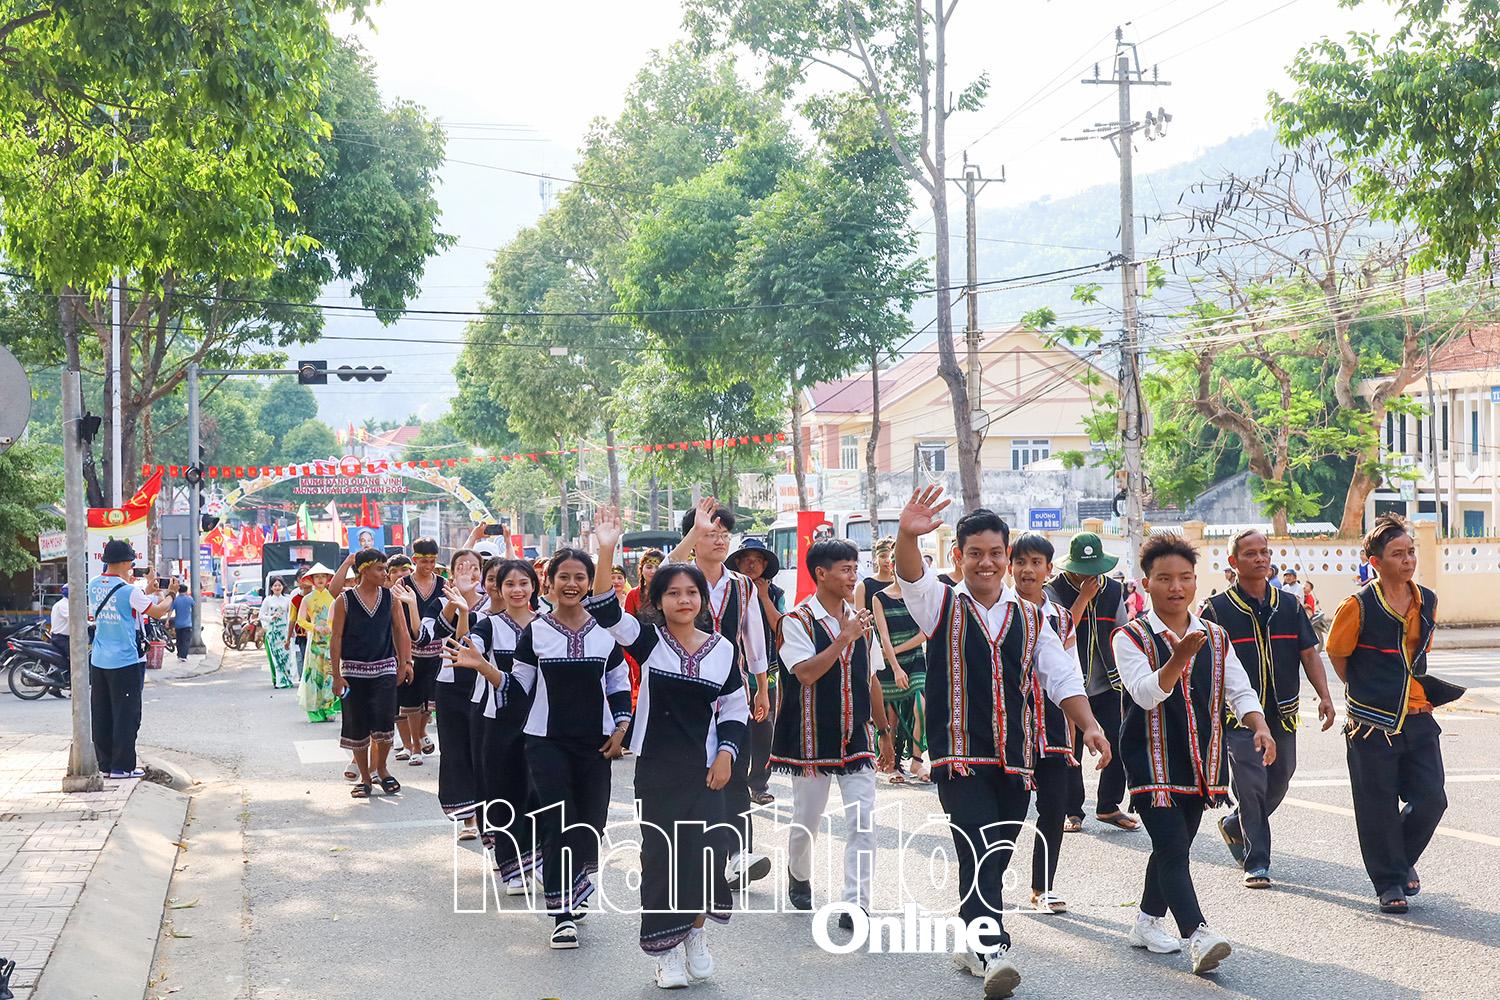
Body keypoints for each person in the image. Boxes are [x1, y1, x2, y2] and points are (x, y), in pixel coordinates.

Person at [894, 487, 1109, 998]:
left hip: (1016, 758)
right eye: (975, 553)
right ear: (958, 556)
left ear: (1007, 558)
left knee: (996, 851)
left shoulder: (1035, 618)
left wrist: (1091, 725)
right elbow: (909, 575)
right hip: (959, 756)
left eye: (995, 553)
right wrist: (906, 533)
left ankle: (972, 940)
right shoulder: (940, 603)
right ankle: (993, 947)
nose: (986, 563)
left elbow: (1061, 679)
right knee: (976, 843)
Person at [588, 507, 745, 987]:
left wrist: (726, 755)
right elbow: (604, 609)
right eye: (673, 592)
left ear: (703, 599)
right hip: (657, 768)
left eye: (691, 592)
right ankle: (667, 952)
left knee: (710, 852)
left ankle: (695, 933)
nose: (684, 599)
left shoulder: (721, 648)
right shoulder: (649, 641)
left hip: (707, 770)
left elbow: (734, 708)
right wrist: (608, 548)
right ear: (659, 600)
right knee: (661, 857)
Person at [1112, 533, 1275, 975]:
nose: (1176, 587)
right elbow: (1145, 694)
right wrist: (1177, 659)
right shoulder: (1129, 637)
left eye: (1184, 577)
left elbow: (1238, 687)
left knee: (1174, 847)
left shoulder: (1215, 635)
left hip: (1200, 761)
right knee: (1170, 846)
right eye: (1164, 578)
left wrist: (1259, 725)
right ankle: (1198, 935)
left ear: (1195, 581)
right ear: (1146, 584)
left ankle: (1146, 923)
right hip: (1151, 760)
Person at [1326, 514, 1464, 914]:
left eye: (1410, 552)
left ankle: (1398, 862)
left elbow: (1419, 653)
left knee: (1432, 799)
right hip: (1370, 723)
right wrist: (1366, 688)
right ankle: (1389, 884)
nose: (1407, 561)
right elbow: (1338, 653)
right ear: (1375, 561)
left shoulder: (1428, 600)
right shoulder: (1357, 606)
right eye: (1397, 554)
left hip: (1419, 714)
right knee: (1376, 805)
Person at [509, 547, 630, 950]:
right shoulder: (536, 632)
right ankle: (562, 914)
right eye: (564, 577)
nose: (572, 584)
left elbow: (618, 685)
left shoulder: (605, 633)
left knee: (590, 824)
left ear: (590, 583)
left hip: (595, 746)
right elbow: (517, 688)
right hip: (545, 743)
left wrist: (622, 726)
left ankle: (573, 882)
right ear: (550, 583)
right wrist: (483, 667)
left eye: (581, 577)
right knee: (560, 820)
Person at [1201, 530, 1336, 888]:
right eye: (1250, 554)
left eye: (1264, 552)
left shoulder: (1289, 606)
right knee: (1250, 784)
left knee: (1280, 777)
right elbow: (1201, 662)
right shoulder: (1216, 610)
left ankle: (1235, 825)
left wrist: (1324, 695)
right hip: (1238, 716)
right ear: (1233, 562)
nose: (1260, 559)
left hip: (1283, 712)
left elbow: (1309, 652)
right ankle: (1256, 860)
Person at [772, 538, 887, 928]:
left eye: (855, 568)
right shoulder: (796, 620)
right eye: (845, 569)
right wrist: (843, 638)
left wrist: (884, 730)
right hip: (811, 737)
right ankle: (799, 874)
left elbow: (870, 676)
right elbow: (804, 673)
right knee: (807, 819)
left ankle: (856, 903)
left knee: (863, 820)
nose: (853, 576)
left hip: (856, 734)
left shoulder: (860, 619)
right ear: (821, 574)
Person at [667, 498, 772, 892]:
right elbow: (656, 580)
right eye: (710, 534)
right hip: (686, 693)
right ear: (693, 539)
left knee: (735, 772)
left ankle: (738, 853)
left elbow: (753, 637)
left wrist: (761, 686)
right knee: (693, 772)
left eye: (724, 534)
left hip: (733, 689)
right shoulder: (679, 579)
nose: (720, 541)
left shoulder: (742, 585)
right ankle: (697, 851)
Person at [447, 557, 541, 895]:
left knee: (537, 790)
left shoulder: (546, 624)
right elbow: (468, 648)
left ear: (534, 586)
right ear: (498, 589)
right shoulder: (489, 625)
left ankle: (538, 858)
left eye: (523, 583)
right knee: (503, 792)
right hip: (495, 720)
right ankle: (511, 866)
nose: (517, 590)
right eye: (509, 584)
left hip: (539, 721)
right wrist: (462, 611)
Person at [1008, 533, 1082, 914]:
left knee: (1053, 808)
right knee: (1009, 812)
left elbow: (1070, 673)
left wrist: (1075, 728)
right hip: (1009, 730)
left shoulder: (1062, 616)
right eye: (1021, 562)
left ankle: (1043, 887)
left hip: (1052, 728)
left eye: (1036, 563)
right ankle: (989, 881)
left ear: (1049, 570)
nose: (1028, 570)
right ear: (1010, 567)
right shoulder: (999, 612)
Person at [1046, 533, 1138, 833]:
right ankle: (1072, 810)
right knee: (1069, 748)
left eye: (1095, 570)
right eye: (1083, 570)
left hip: (1107, 683)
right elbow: (1060, 630)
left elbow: (1123, 631)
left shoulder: (1113, 589)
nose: (1090, 576)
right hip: (1068, 683)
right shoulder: (1053, 591)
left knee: (1118, 741)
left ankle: (1109, 805)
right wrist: (1084, 597)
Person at [330, 549, 413, 799]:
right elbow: (336, 638)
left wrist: (405, 663)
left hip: (385, 669)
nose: (384, 574)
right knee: (357, 724)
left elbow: (401, 632)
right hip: (353, 671)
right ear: (364, 570)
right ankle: (365, 778)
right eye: (380, 569)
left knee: (384, 722)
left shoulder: (391, 599)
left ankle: (382, 769)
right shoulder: (344, 601)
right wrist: (337, 675)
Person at [87, 541, 173, 779]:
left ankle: (105, 764)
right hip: (125, 661)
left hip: (99, 660)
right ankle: (122, 767)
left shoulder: (93, 585)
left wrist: (146, 590)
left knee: (102, 712)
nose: (132, 566)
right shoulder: (129, 590)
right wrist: (171, 594)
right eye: (131, 562)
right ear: (125, 562)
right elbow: (158, 611)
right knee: (127, 714)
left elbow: (120, 602)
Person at [725, 537, 784, 807]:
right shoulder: (726, 590)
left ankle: (758, 784)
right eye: (746, 558)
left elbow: (782, 630)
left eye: (758, 559)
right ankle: (732, 783)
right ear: (736, 562)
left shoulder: (776, 594)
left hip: (765, 674)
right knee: (733, 728)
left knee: (763, 728)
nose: (752, 564)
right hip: (731, 673)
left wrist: (762, 596)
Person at [869, 562, 928, 783]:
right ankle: (891, 764)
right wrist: (894, 666)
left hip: (914, 659)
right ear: (894, 567)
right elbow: (883, 634)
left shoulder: (919, 596)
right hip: (891, 664)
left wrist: (893, 651)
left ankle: (917, 760)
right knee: (891, 717)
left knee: (921, 705)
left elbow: (925, 633)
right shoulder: (879, 597)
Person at [392, 539, 446, 766]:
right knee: (411, 701)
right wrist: (401, 656)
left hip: (437, 650)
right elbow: (397, 622)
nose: (428, 565)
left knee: (430, 702)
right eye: (424, 561)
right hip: (411, 650)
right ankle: (414, 744)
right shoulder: (402, 584)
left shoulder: (443, 584)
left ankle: (422, 732)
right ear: (414, 560)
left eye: (432, 561)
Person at [296, 564, 340, 724]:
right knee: (314, 675)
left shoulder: (334, 598)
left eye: (323, 576)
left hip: (330, 641)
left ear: (328, 579)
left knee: (330, 672)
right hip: (314, 643)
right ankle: (315, 710)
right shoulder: (307, 599)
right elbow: (300, 620)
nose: (320, 579)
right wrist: (315, 628)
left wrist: (331, 627)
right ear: (312, 580)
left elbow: (339, 619)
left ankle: (329, 707)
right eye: (317, 577)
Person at [623, 549, 664, 711]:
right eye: (649, 566)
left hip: (665, 646)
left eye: (657, 567)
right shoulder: (633, 595)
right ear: (641, 569)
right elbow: (627, 628)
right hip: (640, 650)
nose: (653, 571)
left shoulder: (668, 593)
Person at [258, 577, 295, 689]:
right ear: (271, 588)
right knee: (277, 657)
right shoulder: (268, 600)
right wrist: (271, 618)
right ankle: (279, 681)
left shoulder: (287, 600)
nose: (277, 587)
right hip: (273, 632)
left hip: (284, 632)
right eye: (275, 585)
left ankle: (288, 680)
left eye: (279, 585)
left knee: (286, 656)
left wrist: (292, 630)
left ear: (282, 586)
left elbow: (291, 617)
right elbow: (261, 615)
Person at [854, 536, 896, 614]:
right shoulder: (864, 586)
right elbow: (860, 619)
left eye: (891, 556)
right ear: (876, 558)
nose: (887, 560)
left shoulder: (902, 584)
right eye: (883, 556)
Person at [288, 572, 313, 682]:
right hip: (302, 634)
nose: (305, 581)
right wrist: (288, 638)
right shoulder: (295, 600)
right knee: (304, 657)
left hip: (318, 633)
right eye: (302, 579)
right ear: (298, 582)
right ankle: (306, 681)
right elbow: (292, 619)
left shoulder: (320, 596)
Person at [48, 584, 71, 686]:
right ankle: (72, 686)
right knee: (76, 661)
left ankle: (59, 685)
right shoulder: (64, 605)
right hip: (62, 638)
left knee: (66, 662)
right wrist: (90, 624)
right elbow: (74, 618)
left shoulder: (64, 603)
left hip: (61, 637)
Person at [168, 584, 193, 662]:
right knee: (186, 640)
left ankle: (179, 654)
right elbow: (194, 606)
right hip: (187, 624)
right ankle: (183, 655)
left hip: (178, 624)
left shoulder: (176, 600)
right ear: (186, 591)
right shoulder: (189, 599)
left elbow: (170, 611)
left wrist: (167, 620)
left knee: (179, 640)